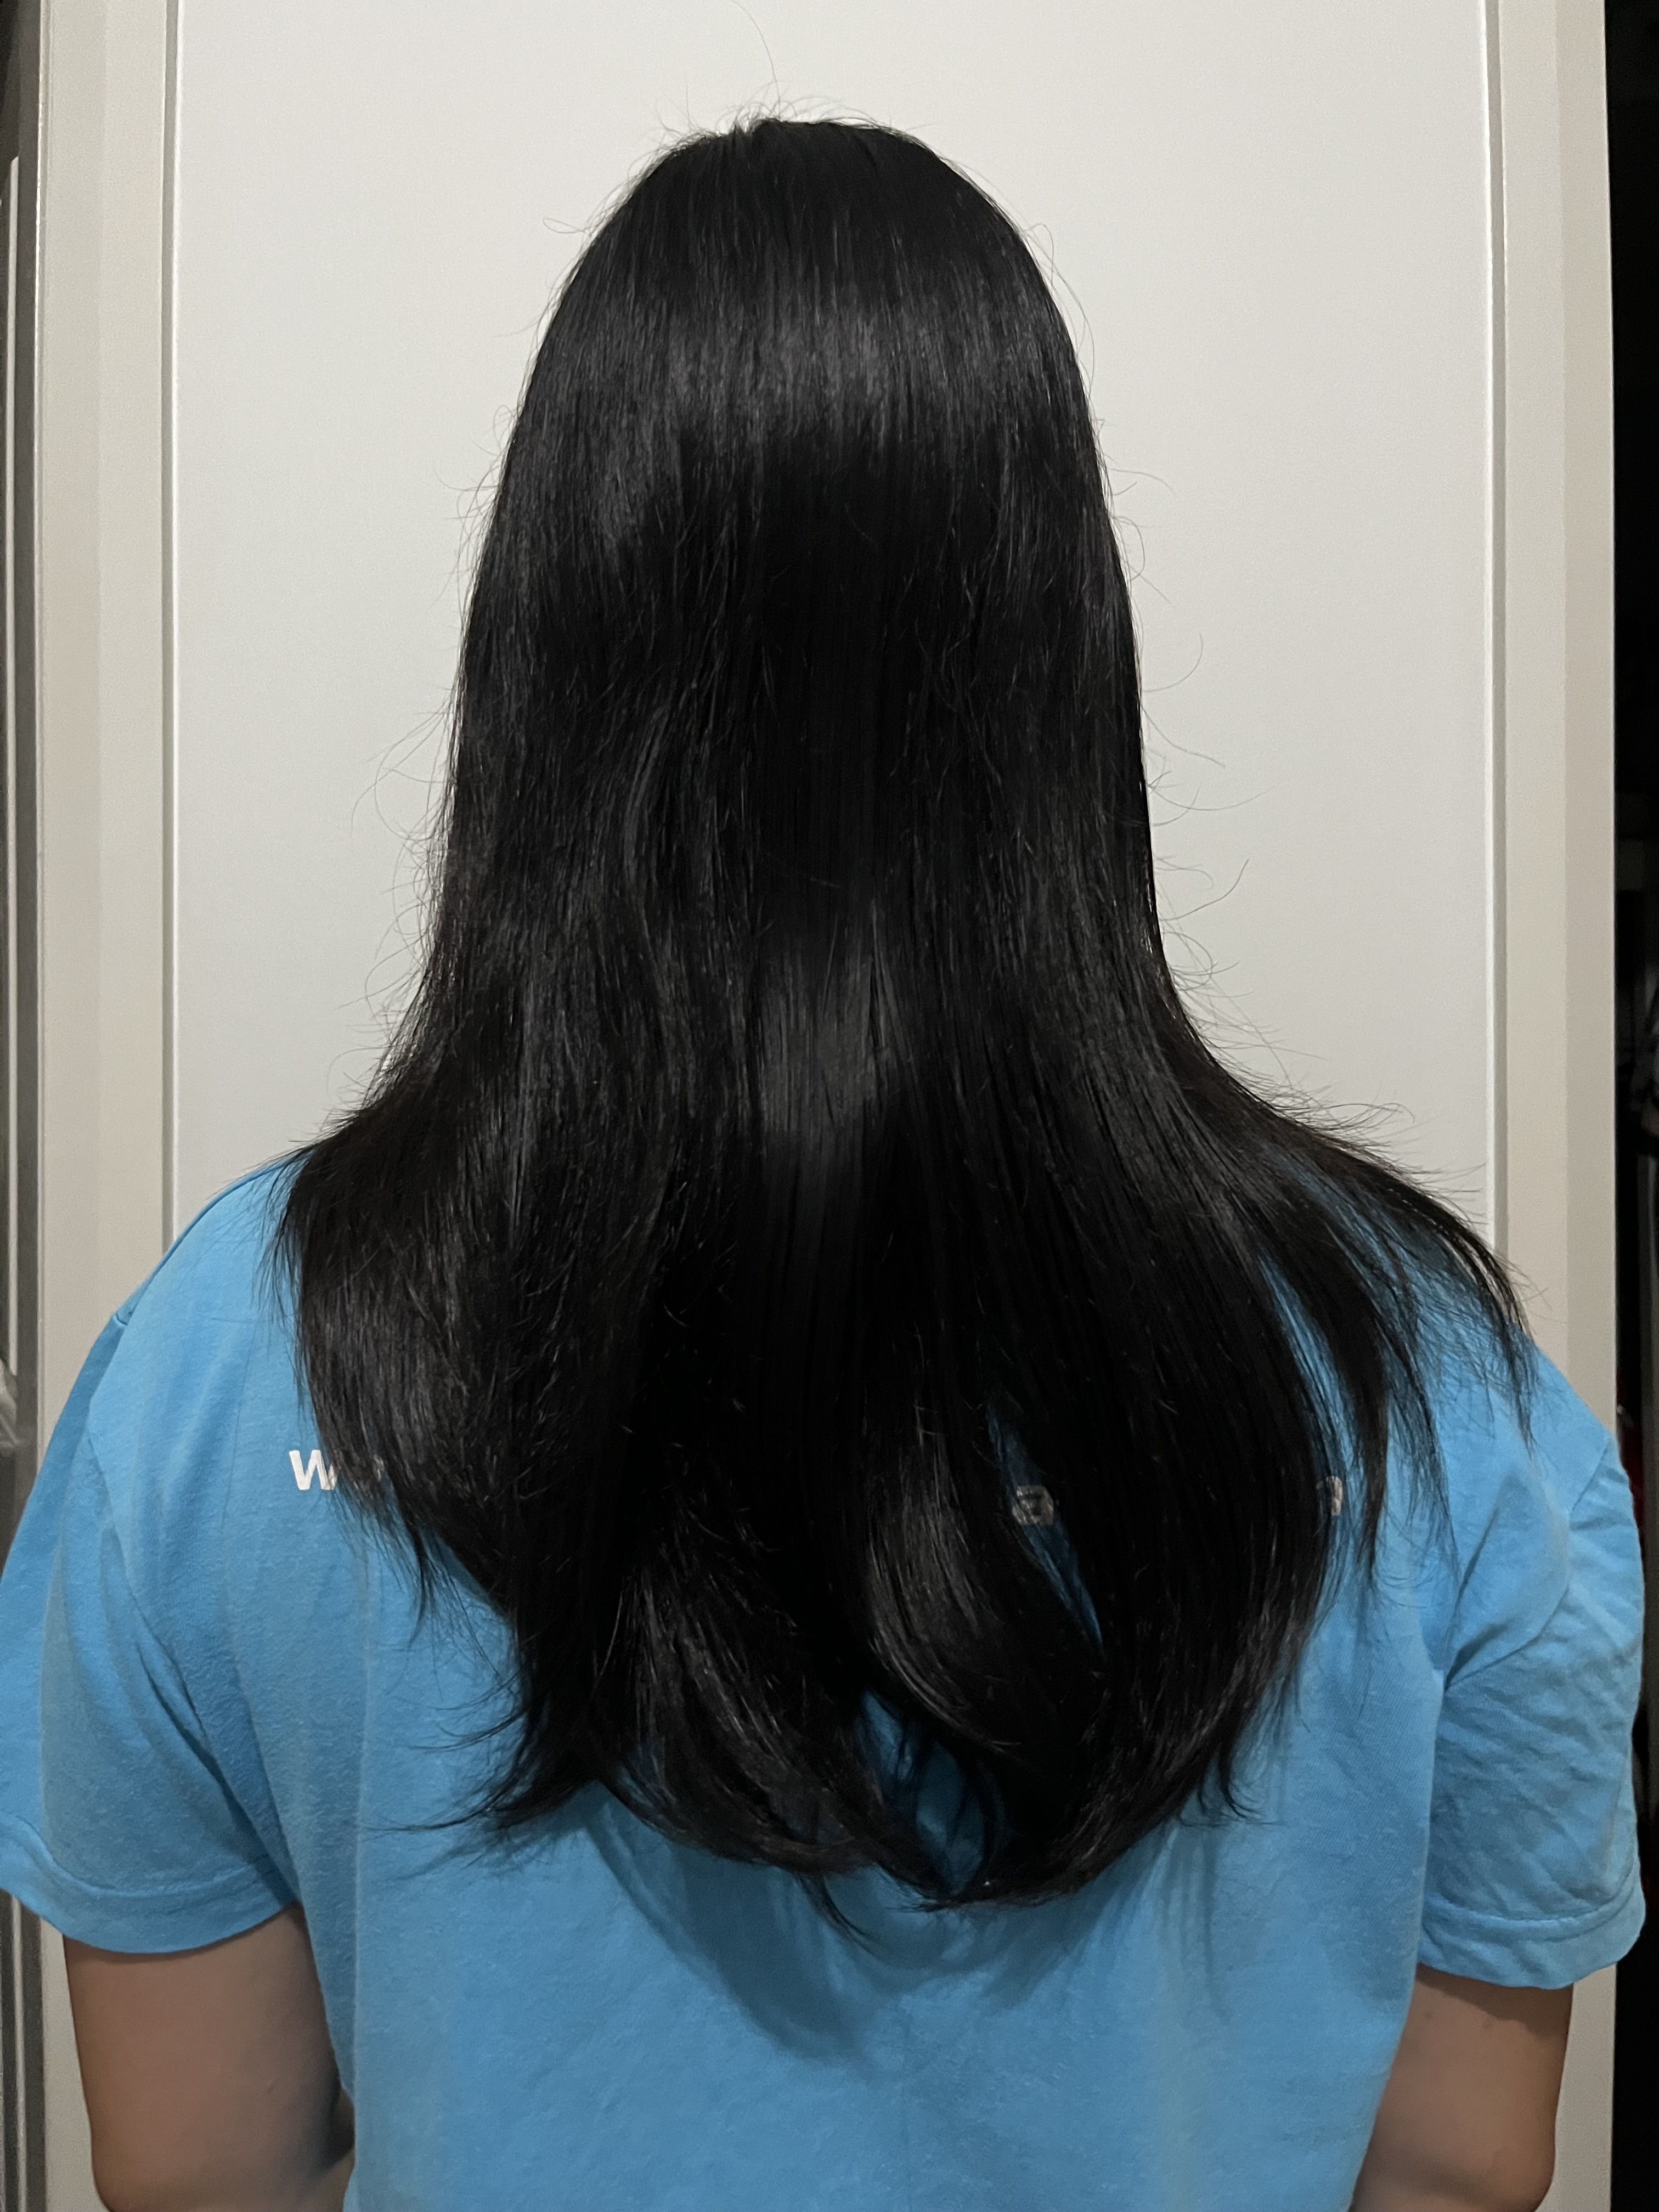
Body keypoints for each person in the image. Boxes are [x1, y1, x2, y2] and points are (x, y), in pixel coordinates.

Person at [0, 117, 1644, 2212]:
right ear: (1064, 661)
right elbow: (1458, 2168)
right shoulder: (1438, 1398)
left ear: (545, 658)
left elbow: (201, 2173)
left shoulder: (222, 1379)